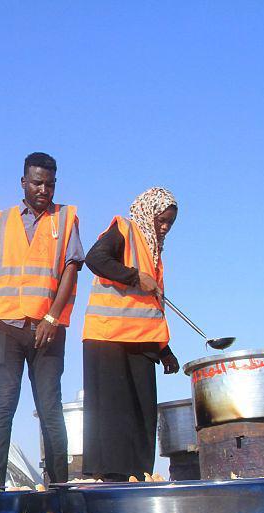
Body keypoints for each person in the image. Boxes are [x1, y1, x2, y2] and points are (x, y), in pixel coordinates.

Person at [0, 152, 83, 486]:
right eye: (37, 183)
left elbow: (71, 271)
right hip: (4, 328)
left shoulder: (65, 218)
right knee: (3, 404)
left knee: (50, 407)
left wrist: (52, 317)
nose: (44, 190)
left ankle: (58, 488)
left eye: (50, 184)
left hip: (47, 329)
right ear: (23, 182)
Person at [81, 187, 180, 482]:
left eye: (170, 223)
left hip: (141, 342)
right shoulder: (124, 230)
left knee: (142, 414)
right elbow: (95, 259)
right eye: (162, 220)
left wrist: (164, 350)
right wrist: (135, 276)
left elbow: (150, 308)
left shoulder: (155, 253)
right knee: (113, 414)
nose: (165, 227)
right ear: (149, 213)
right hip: (108, 337)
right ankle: (112, 480)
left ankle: (139, 477)